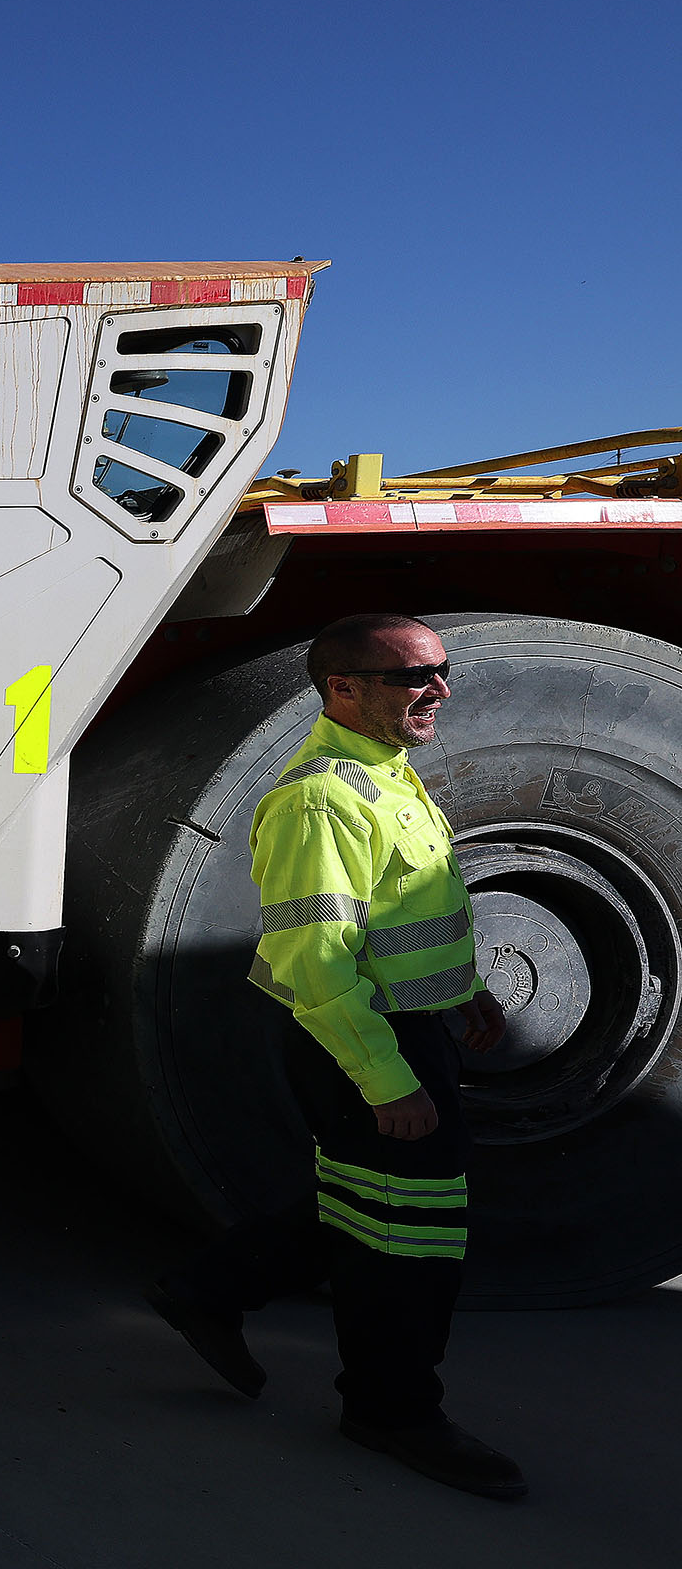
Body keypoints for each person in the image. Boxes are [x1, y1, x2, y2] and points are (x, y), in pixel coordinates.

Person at [150, 613, 520, 1499]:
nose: (436, 689)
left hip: (408, 1026)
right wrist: (388, 1079)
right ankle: (392, 1412)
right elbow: (316, 962)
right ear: (341, 689)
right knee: (410, 1241)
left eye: (440, 670)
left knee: (370, 1209)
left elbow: (402, 915)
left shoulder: (383, 772)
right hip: (365, 1042)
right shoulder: (321, 799)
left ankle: (209, 1288)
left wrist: (458, 990)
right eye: (409, 677)